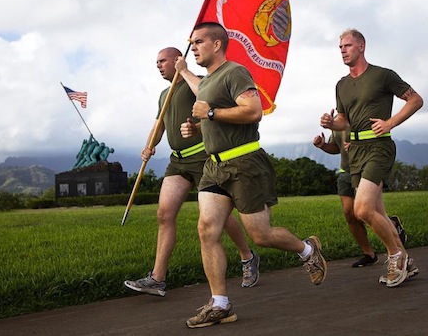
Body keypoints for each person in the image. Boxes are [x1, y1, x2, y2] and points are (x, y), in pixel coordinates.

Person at [178, 22, 327, 328]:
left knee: (260, 236)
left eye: (198, 42)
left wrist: (209, 114)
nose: (193, 47)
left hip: (244, 163)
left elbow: (253, 111)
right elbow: (201, 93)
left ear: (217, 45)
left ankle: (307, 249)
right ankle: (220, 304)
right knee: (207, 230)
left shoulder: (235, 72)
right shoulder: (207, 81)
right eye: (191, 43)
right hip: (214, 166)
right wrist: (195, 118)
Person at [124, 47, 260, 298]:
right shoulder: (164, 94)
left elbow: (206, 95)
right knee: (164, 215)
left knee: (219, 216)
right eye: (156, 62)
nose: (158, 65)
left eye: (162, 61)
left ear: (177, 60)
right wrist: (149, 146)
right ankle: (157, 279)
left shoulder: (195, 82)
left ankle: (247, 256)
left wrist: (185, 71)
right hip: (177, 162)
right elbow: (159, 125)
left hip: (202, 157)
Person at [320, 29, 423, 288]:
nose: (342, 50)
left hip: (378, 147)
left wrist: (390, 123)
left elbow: (415, 99)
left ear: (362, 46)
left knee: (362, 209)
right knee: (377, 211)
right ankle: (406, 261)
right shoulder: (341, 84)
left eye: (347, 45)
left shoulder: (382, 75)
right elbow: (344, 119)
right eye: (340, 47)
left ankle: (395, 256)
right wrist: (332, 122)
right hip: (354, 151)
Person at [313, 129, 408, 267]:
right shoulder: (337, 119)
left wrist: (360, 146)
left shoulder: (361, 115)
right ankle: (369, 254)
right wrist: (323, 145)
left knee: (365, 211)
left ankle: (396, 243)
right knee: (349, 214)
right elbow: (336, 147)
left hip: (366, 169)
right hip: (345, 171)